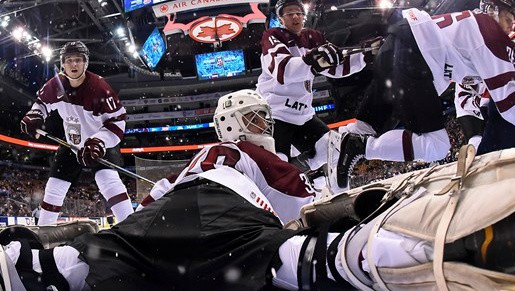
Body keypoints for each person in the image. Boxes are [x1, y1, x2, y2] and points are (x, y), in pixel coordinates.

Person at [0, 144, 514, 290]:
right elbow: (302, 202)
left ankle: (24, 261)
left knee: (80, 263)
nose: (258, 126)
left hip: (149, 232)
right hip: (227, 224)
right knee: (297, 258)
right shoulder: (239, 150)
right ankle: (416, 249)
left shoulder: (175, 178)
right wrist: (330, 199)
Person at [332, 0, 515, 190]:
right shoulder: (492, 37)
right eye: (509, 18)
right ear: (493, 9)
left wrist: (475, 139)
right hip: (416, 57)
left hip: (398, 41)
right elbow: (508, 105)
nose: (511, 25)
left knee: (365, 127)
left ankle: (334, 168)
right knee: (437, 146)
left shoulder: (473, 29)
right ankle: (362, 148)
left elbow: (465, 98)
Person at [136, 89, 317, 223]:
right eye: (255, 119)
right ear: (230, 124)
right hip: (230, 234)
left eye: (264, 117)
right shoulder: (247, 151)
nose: (265, 124)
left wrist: (135, 220)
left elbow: (162, 189)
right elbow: (302, 204)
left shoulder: (205, 155)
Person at [256, 0, 378, 174]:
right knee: (277, 167)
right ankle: (289, 184)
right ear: (281, 19)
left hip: (303, 114)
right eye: (289, 13)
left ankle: (306, 176)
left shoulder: (313, 37)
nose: (295, 16)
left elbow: (337, 67)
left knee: (332, 150)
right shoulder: (273, 35)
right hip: (276, 114)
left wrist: (365, 56)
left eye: (299, 12)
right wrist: (313, 61)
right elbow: (284, 71)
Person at [19, 41, 133, 225]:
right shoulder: (55, 85)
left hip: (100, 143)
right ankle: (44, 232)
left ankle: (131, 230)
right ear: (62, 64)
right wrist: (35, 115)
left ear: (85, 63)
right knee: (54, 188)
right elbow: (41, 103)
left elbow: (118, 125)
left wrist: (98, 141)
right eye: (69, 60)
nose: (73, 64)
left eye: (78, 60)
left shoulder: (100, 88)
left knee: (108, 181)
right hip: (72, 143)